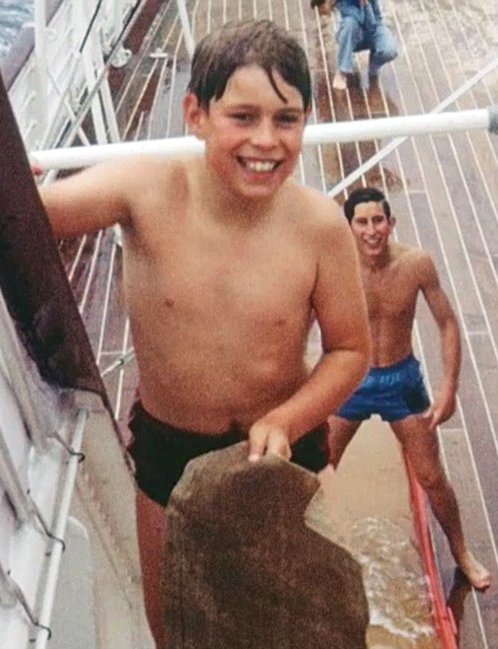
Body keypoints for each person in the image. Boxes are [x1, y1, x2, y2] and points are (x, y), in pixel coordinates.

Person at [37, 19, 371, 648]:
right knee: (177, 628)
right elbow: (37, 214)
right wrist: (2, 174)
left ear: (305, 122)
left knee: (310, 622)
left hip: (285, 454)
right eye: (242, 117)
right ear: (195, 114)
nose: (265, 140)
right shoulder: (144, 190)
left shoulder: (321, 225)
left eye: (286, 119)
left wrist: (289, 420)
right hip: (171, 452)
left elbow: (351, 350)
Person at [328, 187, 492, 590]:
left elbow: (447, 323)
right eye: (362, 222)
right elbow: (299, 321)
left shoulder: (416, 264)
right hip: (351, 377)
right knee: (316, 471)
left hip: (401, 380)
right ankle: (302, 555)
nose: (371, 230)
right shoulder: (334, 265)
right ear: (349, 228)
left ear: (391, 222)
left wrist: (449, 386)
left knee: (432, 477)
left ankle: (462, 553)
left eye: (378, 221)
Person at [330, 0, 398, 91]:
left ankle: (374, 64)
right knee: (350, 24)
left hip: (374, 27)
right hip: (353, 31)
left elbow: (373, 23)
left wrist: (366, 4)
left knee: (390, 50)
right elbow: (352, 16)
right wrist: (364, 5)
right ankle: (342, 71)